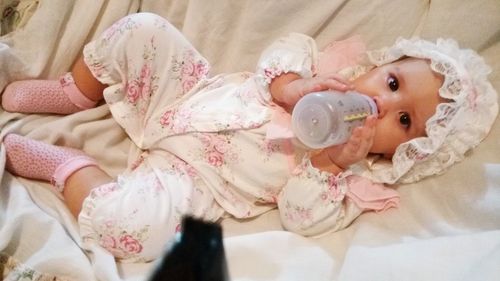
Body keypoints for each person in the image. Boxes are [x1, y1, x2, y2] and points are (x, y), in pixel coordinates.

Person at [1, 13, 497, 262]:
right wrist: (292, 87)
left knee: (132, 230)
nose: (384, 106)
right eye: (392, 84)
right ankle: (73, 93)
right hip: (185, 94)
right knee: (142, 29)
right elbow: (279, 54)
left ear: (401, 153)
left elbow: (301, 218)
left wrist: (328, 165)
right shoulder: (322, 72)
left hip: (195, 179)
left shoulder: (347, 178)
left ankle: (63, 165)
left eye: (404, 122)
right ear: (380, 66)